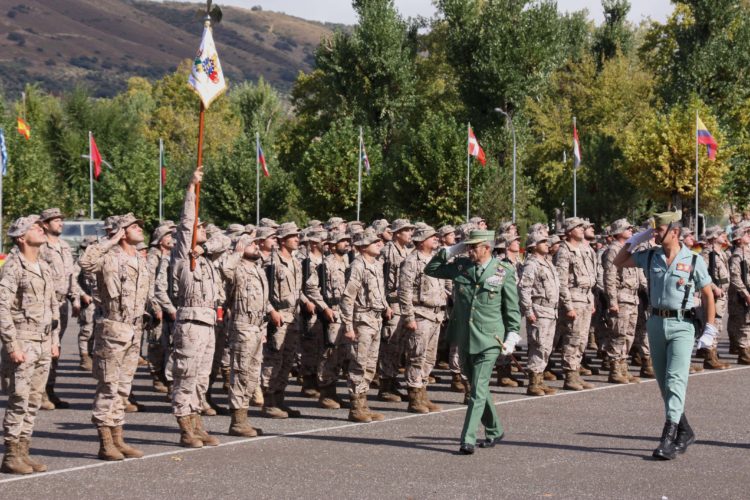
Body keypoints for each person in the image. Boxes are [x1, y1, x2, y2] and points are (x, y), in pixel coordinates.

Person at [614, 210, 716, 460]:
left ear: (675, 232)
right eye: (654, 230)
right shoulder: (650, 257)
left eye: (659, 230)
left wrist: (710, 329)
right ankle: (685, 430)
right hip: (656, 323)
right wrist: (636, 239)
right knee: (663, 383)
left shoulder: (693, 260)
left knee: (675, 380)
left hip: (682, 324)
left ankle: (668, 437)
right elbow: (619, 261)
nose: (655, 234)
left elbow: (707, 294)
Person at [425, 229, 521, 455]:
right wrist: (452, 249)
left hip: (490, 338)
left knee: (477, 389)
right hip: (465, 336)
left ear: (486, 248)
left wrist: (512, 336)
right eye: (467, 247)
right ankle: (495, 429)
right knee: (478, 384)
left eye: (473, 247)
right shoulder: (462, 266)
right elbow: (431, 269)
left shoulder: (503, 271)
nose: (469, 250)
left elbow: (512, 310)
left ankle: (467, 438)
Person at [79, 213, 150, 461]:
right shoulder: (108, 257)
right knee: (108, 386)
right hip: (112, 329)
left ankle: (118, 438)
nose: (140, 229)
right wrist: (109, 241)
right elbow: (85, 263)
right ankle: (105, 442)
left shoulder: (140, 259)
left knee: (123, 389)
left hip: (134, 330)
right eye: (134, 226)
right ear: (121, 232)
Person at [0, 216, 60, 474]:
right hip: (23, 341)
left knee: (34, 400)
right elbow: (1, 307)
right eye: (35, 227)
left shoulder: (43, 266)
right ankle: (11, 455)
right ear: (21, 238)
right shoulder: (14, 266)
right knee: (19, 399)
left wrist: (54, 341)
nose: (41, 229)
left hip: (43, 342)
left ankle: (23, 452)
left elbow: (52, 305)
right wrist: (12, 345)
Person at [170, 168, 223, 448]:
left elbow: (225, 240)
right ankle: (185, 428)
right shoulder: (183, 255)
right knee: (186, 376)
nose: (202, 230)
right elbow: (187, 222)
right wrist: (191, 188)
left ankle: (197, 421)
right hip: (190, 323)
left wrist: (206, 247)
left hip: (208, 323)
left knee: (202, 377)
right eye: (200, 228)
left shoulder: (205, 257)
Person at [340, 229, 392, 423]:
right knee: (359, 364)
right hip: (362, 320)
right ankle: (355, 407)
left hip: (376, 319)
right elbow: (348, 298)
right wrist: (348, 326)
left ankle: (363, 404)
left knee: (370, 365)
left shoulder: (376, 265)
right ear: (362, 247)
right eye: (374, 242)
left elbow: (379, 291)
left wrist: (385, 306)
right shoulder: (357, 266)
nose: (378, 244)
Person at [399, 225, 446, 413]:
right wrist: (408, 316)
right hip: (420, 314)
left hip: (435, 314)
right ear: (420, 241)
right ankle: (414, 397)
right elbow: (405, 290)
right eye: (431, 236)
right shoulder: (412, 261)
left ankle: (423, 393)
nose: (435, 239)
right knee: (416, 356)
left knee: (429, 358)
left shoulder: (435, 260)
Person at [38, 208, 81, 410]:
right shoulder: (40, 247)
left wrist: (76, 298)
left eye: (61, 220)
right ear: (45, 224)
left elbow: (71, 274)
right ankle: (38, 392)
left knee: (56, 348)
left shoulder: (64, 246)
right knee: (44, 348)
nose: (60, 223)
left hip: (62, 304)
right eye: (55, 220)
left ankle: (49, 388)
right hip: (45, 304)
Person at [518, 232, 559, 396]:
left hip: (551, 310)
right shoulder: (532, 264)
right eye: (543, 242)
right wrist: (528, 310)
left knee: (546, 347)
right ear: (533, 245)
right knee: (538, 345)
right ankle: (533, 383)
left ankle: (540, 380)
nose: (547, 244)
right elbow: (524, 288)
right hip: (539, 310)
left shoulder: (547, 263)